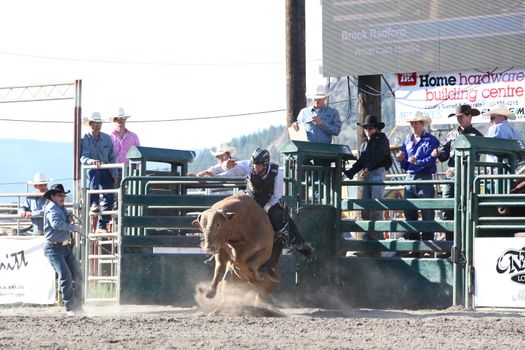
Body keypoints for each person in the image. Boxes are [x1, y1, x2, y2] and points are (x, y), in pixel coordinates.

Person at [235, 148, 314, 281]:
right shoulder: (249, 165)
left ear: (265, 164)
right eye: (254, 164)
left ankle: (270, 265)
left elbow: (277, 195)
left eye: (259, 165)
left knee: (282, 228)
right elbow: (231, 167)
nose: (256, 167)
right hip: (250, 200)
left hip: (269, 203)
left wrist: (265, 208)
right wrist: (219, 169)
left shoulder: (277, 173)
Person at [431, 104, 483, 239]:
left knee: (466, 208)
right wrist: (437, 153)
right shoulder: (451, 134)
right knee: (447, 207)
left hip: (466, 175)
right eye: (458, 117)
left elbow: (476, 157)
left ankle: (465, 241)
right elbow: (444, 155)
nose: (459, 119)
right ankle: (450, 244)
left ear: (470, 116)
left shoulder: (477, 135)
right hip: (451, 174)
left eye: (462, 117)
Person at [344, 115, 392, 239]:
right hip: (369, 173)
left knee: (376, 206)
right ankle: (369, 235)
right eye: (366, 128)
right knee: (365, 206)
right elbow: (360, 162)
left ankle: (377, 236)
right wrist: (349, 173)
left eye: (370, 128)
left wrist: (367, 168)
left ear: (376, 128)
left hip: (377, 172)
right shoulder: (364, 144)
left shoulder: (382, 139)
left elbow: (380, 156)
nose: (368, 130)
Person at [395, 111, 439, 241]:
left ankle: (427, 245)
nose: (413, 125)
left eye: (415, 123)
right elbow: (405, 165)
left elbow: (431, 161)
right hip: (410, 177)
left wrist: (417, 161)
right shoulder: (407, 140)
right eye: (411, 123)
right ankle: (414, 244)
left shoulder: (431, 140)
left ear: (422, 124)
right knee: (409, 212)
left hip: (424, 178)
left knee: (427, 212)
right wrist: (401, 160)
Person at [43, 184, 83, 316]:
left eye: (63, 195)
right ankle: (70, 308)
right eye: (60, 195)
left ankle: (77, 306)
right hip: (54, 248)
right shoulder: (52, 209)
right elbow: (56, 224)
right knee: (66, 276)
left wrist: (69, 222)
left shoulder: (60, 207)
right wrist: (72, 227)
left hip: (64, 247)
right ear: (52, 196)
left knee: (77, 273)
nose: (63, 197)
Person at [80, 112, 117, 233]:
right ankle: (94, 202)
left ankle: (102, 224)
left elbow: (112, 157)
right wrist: (92, 161)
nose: (97, 125)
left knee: (109, 195)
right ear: (90, 124)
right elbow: (83, 157)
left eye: (99, 123)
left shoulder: (107, 138)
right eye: (95, 123)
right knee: (94, 172)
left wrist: (115, 172)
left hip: (105, 168)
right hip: (93, 170)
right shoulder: (85, 138)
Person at [109, 108, 140, 185]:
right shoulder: (109, 138)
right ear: (114, 120)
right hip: (114, 170)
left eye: (123, 118)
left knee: (129, 193)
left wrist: (136, 170)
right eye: (117, 118)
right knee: (114, 193)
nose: (120, 120)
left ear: (125, 119)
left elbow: (139, 154)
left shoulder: (133, 136)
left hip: (130, 170)